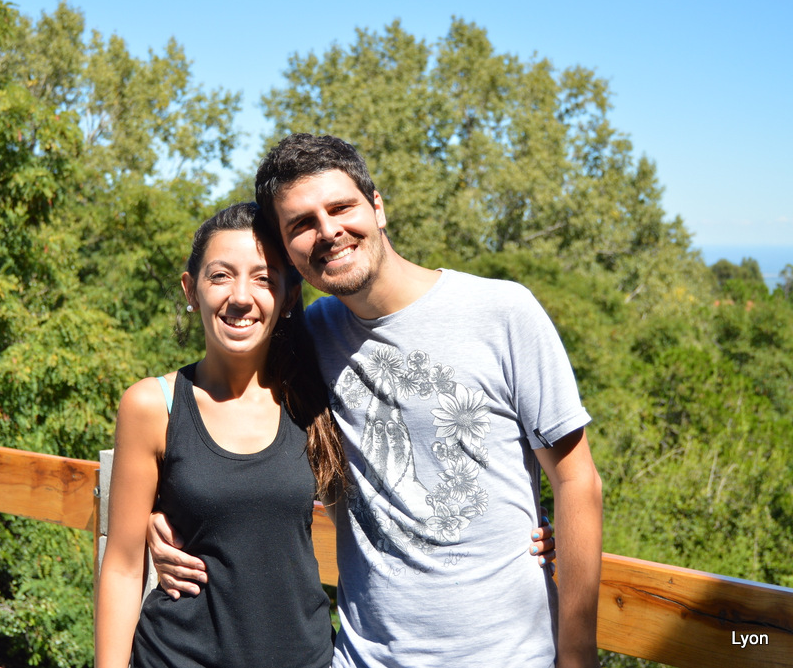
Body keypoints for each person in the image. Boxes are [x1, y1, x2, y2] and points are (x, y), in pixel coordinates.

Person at [149, 134, 602, 668]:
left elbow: (576, 480)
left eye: (341, 207)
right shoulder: (307, 338)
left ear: (377, 207)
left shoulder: (502, 312)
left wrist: (577, 655)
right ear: (288, 250)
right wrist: (164, 512)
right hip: (364, 657)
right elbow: (223, 422)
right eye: (301, 224)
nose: (328, 231)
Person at [94, 203, 342, 668]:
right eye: (221, 276)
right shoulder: (153, 405)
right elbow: (124, 568)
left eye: (263, 278)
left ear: (289, 297)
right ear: (191, 290)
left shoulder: (314, 401)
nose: (241, 296)